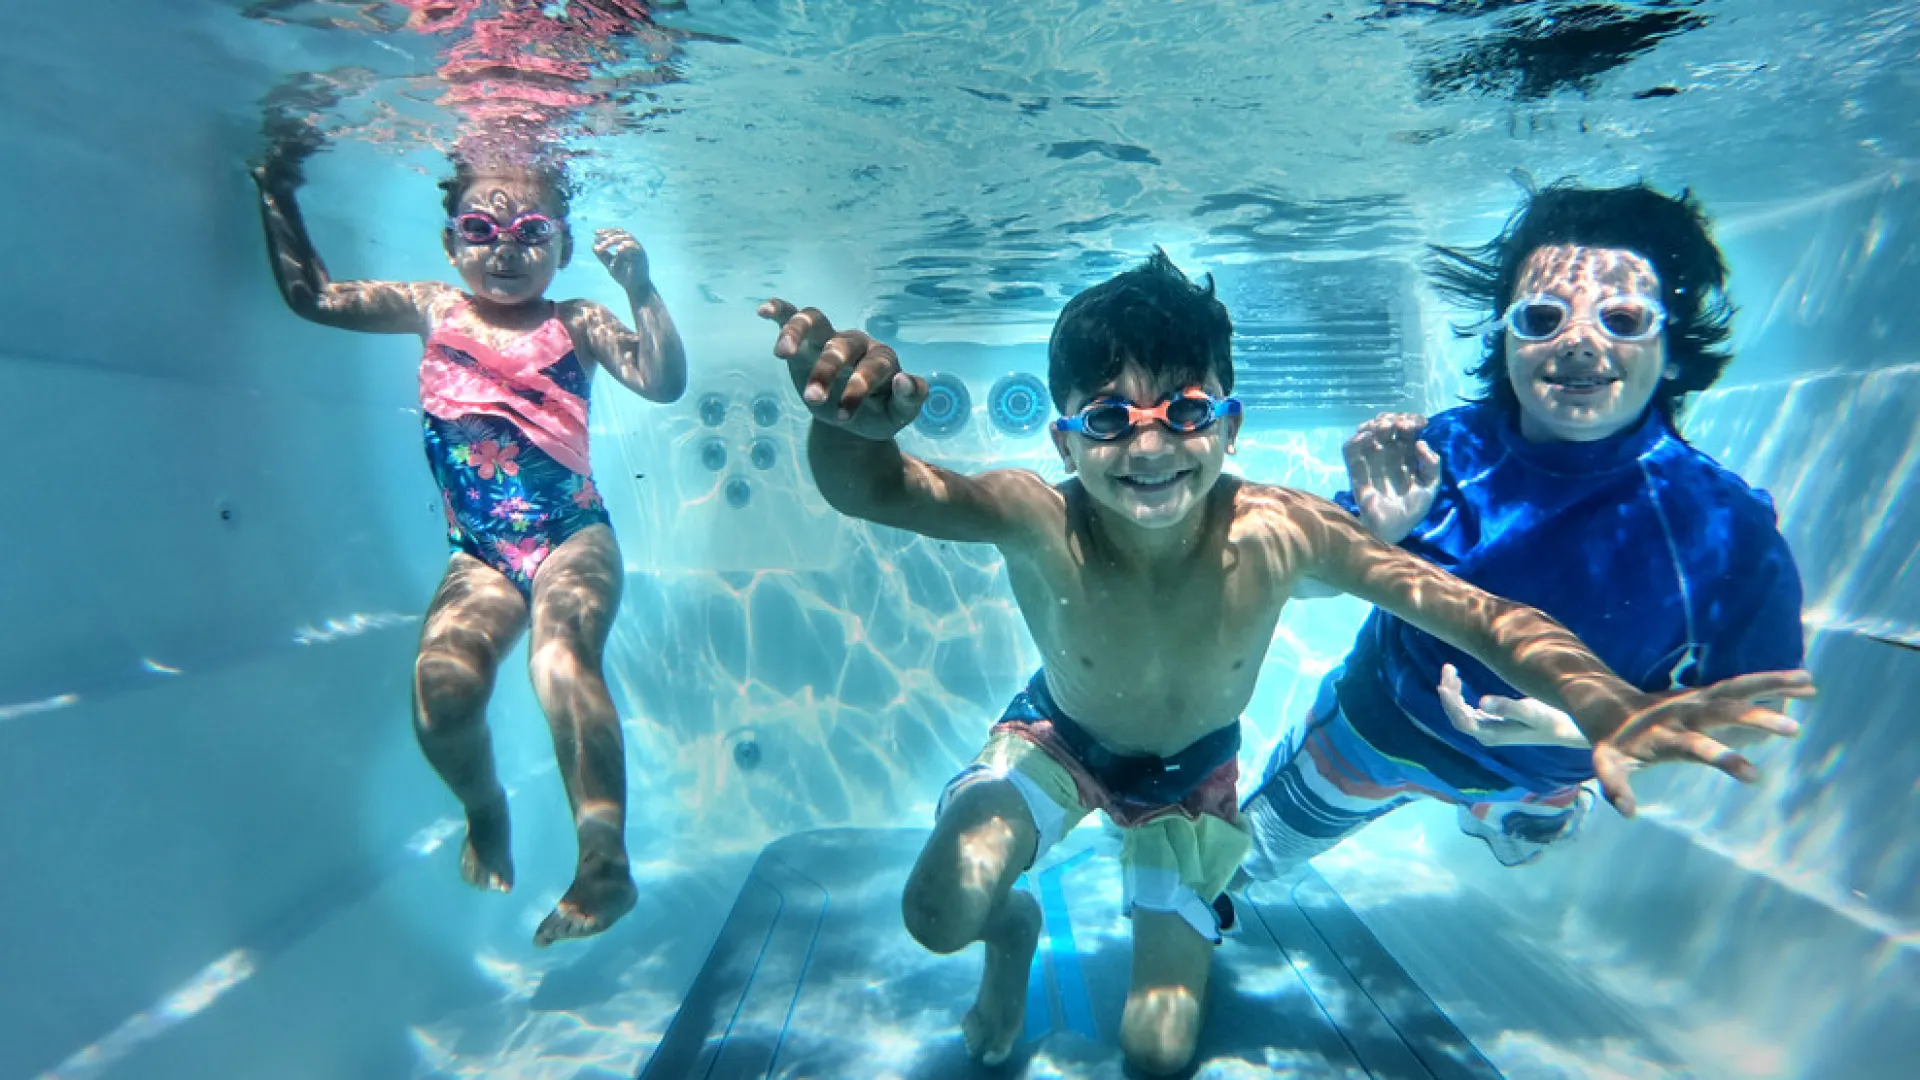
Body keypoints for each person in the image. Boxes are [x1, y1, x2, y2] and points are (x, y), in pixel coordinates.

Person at [755, 249, 1811, 1075]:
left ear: (1231, 422)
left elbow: (1476, 614)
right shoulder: (1038, 517)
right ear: (1066, 441)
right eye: (1113, 419)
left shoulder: (1283, 529)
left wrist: (1604, 700)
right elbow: (879, 492)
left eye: (1187, 411)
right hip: (1057, 740)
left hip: (1196, 782)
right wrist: (854, 428)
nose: (1152, 445)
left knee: (1159, 1051)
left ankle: (1138, 908)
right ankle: (1013, 931)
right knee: (938, 914)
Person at [1241, 182, 1810, 879]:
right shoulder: (1443, 455)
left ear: (1672, 340)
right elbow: (1291, 588)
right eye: (1543, 317)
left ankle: (1511, 814)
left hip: (1555, 770)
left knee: (1524, 834)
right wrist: (1373, 539)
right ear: (1505, 335)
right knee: (1246, 859)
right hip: (1382, 724)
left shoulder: (1724, 528)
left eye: (1622, 319)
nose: (1578, 344)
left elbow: (1760, 705)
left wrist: (1578, 730)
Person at [250, 144, 687, 946]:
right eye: (481, 227)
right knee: (441, 696)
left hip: (571, 535)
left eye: (531, 229)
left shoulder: (578, 319)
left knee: (561, 659)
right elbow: (311, 295)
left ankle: (604, 865)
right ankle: (484, 808)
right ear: (451, 244)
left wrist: (641, 289)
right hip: (479, 553)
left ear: (560, 243)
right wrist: (276, 187)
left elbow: (661, 381)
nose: (506, 248)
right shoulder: (432, 307)